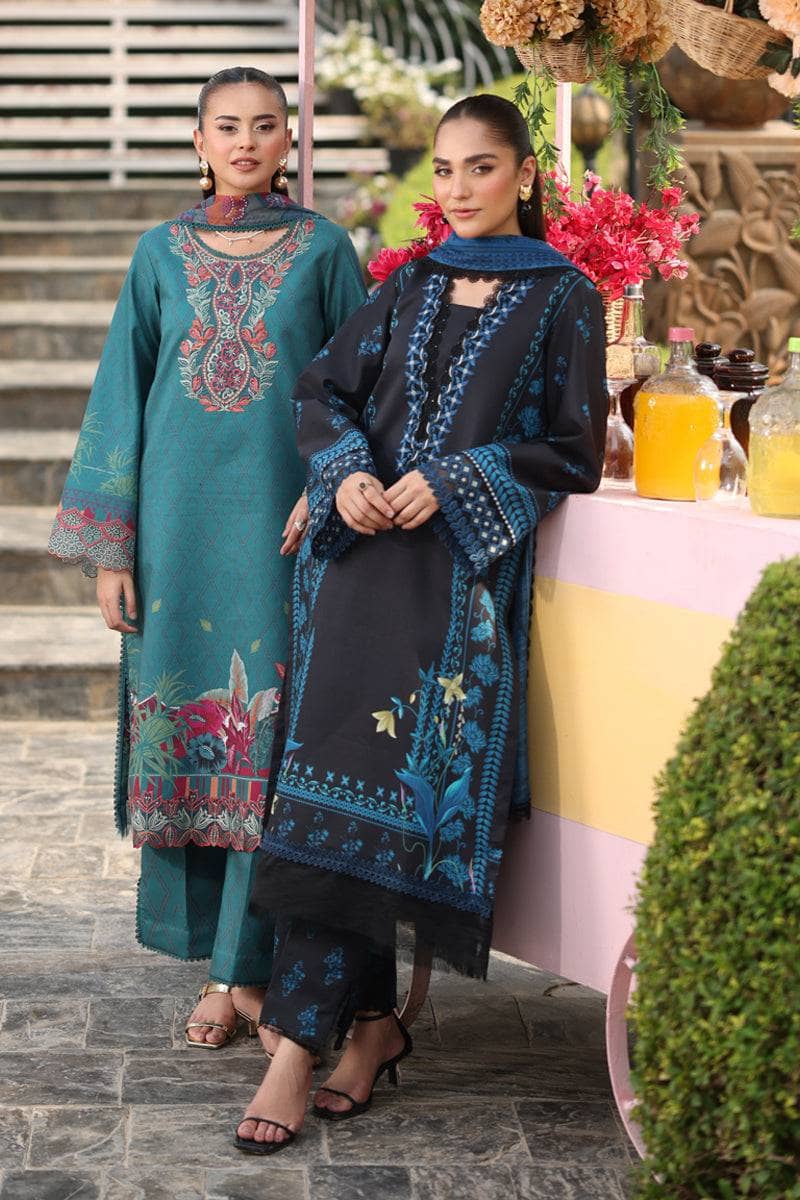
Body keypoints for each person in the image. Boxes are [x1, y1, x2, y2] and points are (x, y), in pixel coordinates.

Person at [233, 92, 608, 1154]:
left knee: (386, 808)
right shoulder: (410, 283)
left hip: (451, 596)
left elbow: (572, 450)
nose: (457, 189)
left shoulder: (564, 297)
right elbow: (322, 392)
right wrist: (346, 471)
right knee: (322, 806)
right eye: (443, 170)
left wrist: (453, 478)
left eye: (479, 168)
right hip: (353, 577)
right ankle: (356, 1033)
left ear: (525, 175)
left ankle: (306, 1047)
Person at [48, 67, 366, 1049]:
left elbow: (365, 383)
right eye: (226, 126)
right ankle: (217, 964)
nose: (245, 141)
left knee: (266, 742)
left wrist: (332, 483)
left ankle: (245, 971)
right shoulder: (158, 253)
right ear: (197, 142)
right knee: (192, 734)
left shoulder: (324, 250)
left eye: (264, 125)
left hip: (281, 534)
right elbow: (119, 399)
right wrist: (112, 549)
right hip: (176, 534)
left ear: (288, 141)